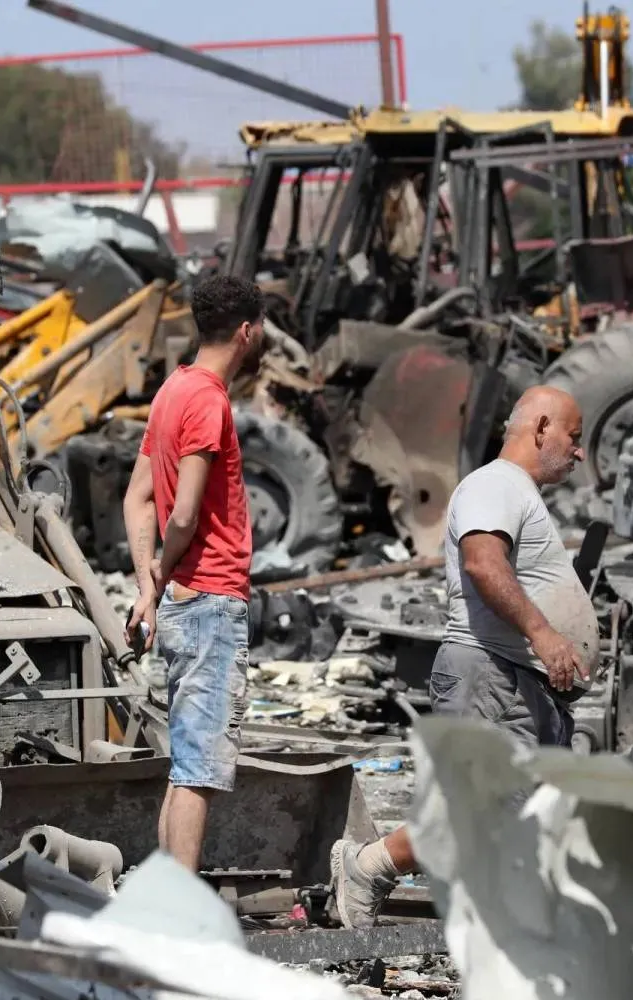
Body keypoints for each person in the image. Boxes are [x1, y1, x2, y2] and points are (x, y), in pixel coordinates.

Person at [329, 385, 602, 927]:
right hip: (490, 676)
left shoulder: (517, 494)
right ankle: (369, 865)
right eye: (573, 437)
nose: (579, 452)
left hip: (520, 684)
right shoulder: (495, 484)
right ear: (541, 427)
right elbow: (482, 563)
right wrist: (545, 634)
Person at [121, 274, 266, 872]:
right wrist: (163, 564)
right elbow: (181, 511)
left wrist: (149, 587)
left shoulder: (171, 390)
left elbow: (137, 499)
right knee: (200, 769)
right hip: (210, 600)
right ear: (246, 331)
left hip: (182, 604)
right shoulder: (208, 400)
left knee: (185, 767)